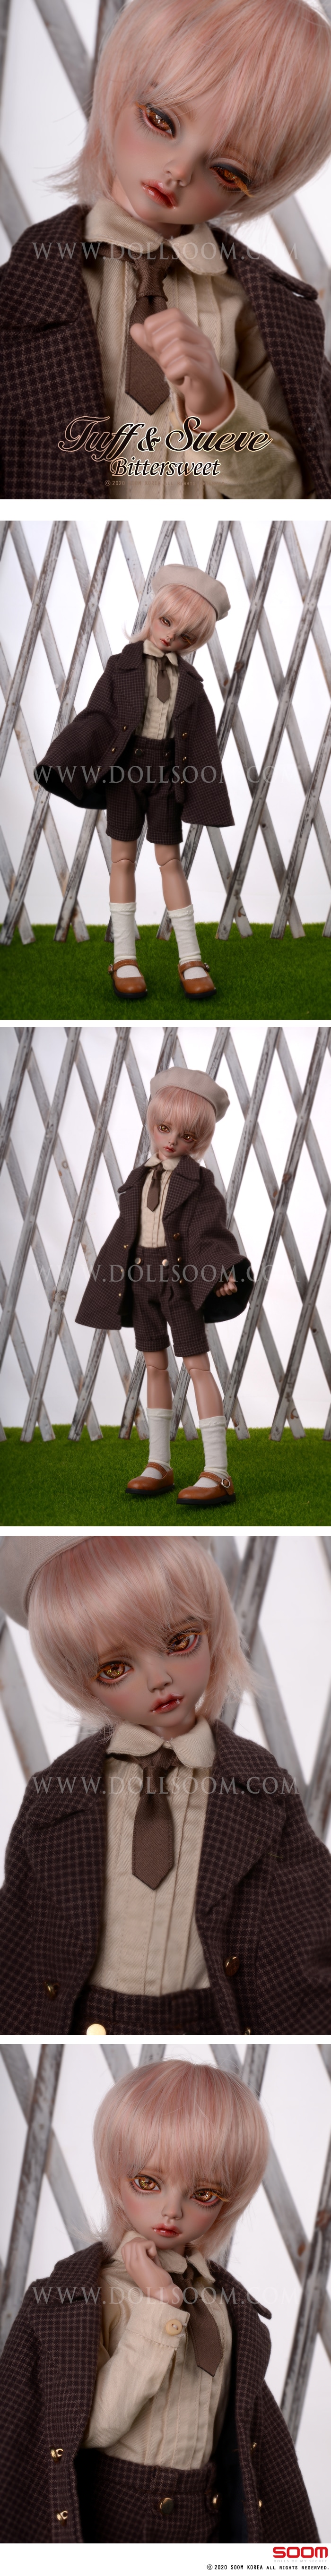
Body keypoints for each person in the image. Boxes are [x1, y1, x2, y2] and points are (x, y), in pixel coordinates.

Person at [0, 1532, 331, 2039]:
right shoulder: (56, 1794)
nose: (159, 1679)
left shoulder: (261, 1788)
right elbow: (21, 1935)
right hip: (80, 2021)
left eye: (180, 1642)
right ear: (79, 1679)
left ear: (212, 1627)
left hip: (213, 2019)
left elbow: (308, 1924)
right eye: (115, 1668)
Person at [0, 0, 331, 499]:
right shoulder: (22, 294)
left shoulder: (259, 310)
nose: (178, 170)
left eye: (227, 172)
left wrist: (220, 412)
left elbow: (298, 492)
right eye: (160, 120)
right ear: (120, 84)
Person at [0, 2059, 319, 2542]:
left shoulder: (219, 2300)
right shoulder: (87, 2296)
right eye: (148, 2182)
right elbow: (88, 2427)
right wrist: (160, 2304)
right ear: (117, 2175)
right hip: (115, 2517)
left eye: (203, 2193)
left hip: (205, 2516)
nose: (172, 2210)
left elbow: (233, 2429)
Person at [34, 566, 234, 999]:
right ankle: (124, 956)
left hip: (167, 776)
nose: (170, 636)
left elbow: (203, 742)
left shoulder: (192, 686)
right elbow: (97, 717)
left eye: (185, 635)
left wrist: (204, 790)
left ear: (195, 642)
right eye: (166, 621)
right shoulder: (121, 667)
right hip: (125, 772)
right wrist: (68, 758)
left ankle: (191, 957)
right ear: (153, 612)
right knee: (122, 859)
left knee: (169, 860)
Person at [75, 1063, 253, 1506]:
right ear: (152, 1124)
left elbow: (210, 1233)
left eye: (186, 1136)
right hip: (141, 1280)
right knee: (154, 1365)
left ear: (200, 1140)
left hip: (178, 1283)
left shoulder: (200, 1184)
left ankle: (218, 1471)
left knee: (197, 1366)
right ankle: (159, 1463)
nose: (172, 1141)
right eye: (164, 1128)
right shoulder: (139, 1178)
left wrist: (221, 1272)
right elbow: (127, 1230)